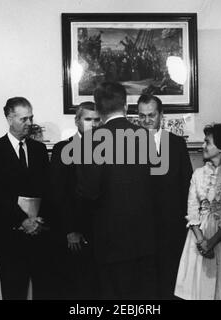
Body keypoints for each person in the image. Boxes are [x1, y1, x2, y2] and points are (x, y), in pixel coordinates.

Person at [76, 82, 157, 299]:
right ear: (126, 104)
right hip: (143, 237)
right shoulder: (144, 136)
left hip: (109, 240)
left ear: (99, 108)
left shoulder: (91, 140)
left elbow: (89, 192)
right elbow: (153, 185)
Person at [0, 97, 59, 299]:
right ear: (9, 118)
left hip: (39, 235)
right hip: (9, 239)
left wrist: (39, 221)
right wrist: (22, 220)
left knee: (44, 291)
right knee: (13, 292)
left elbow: (47, 190)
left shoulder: (39, 150)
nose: (29, 123)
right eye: (23, 119)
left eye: (31, 118)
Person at [137, 94, 192, 299]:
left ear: (161, 115)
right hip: (140, 229)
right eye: (142, 116)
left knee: (169, 282)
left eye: (151, 115)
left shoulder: (176, 144)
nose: (147, 120)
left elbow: (186, 184)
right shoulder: (127, 145)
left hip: (171, 228)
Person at [174, 123, 221, 300]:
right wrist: (202, 240)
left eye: (207, 142)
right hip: (198, 238)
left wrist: (212, 242)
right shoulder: (198, 174)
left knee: (220, 289)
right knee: (198, 290)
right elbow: (192, 208)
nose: (203, 146)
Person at [50, 101, 101, 299]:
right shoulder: (63, 149)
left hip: (101, 233)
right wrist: (70, 229)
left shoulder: (110, 150)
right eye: (88, 119)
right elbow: (58, 193)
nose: (94, 124)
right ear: (77, 121)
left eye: (97, 120)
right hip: (74, 233)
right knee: (77, 289)